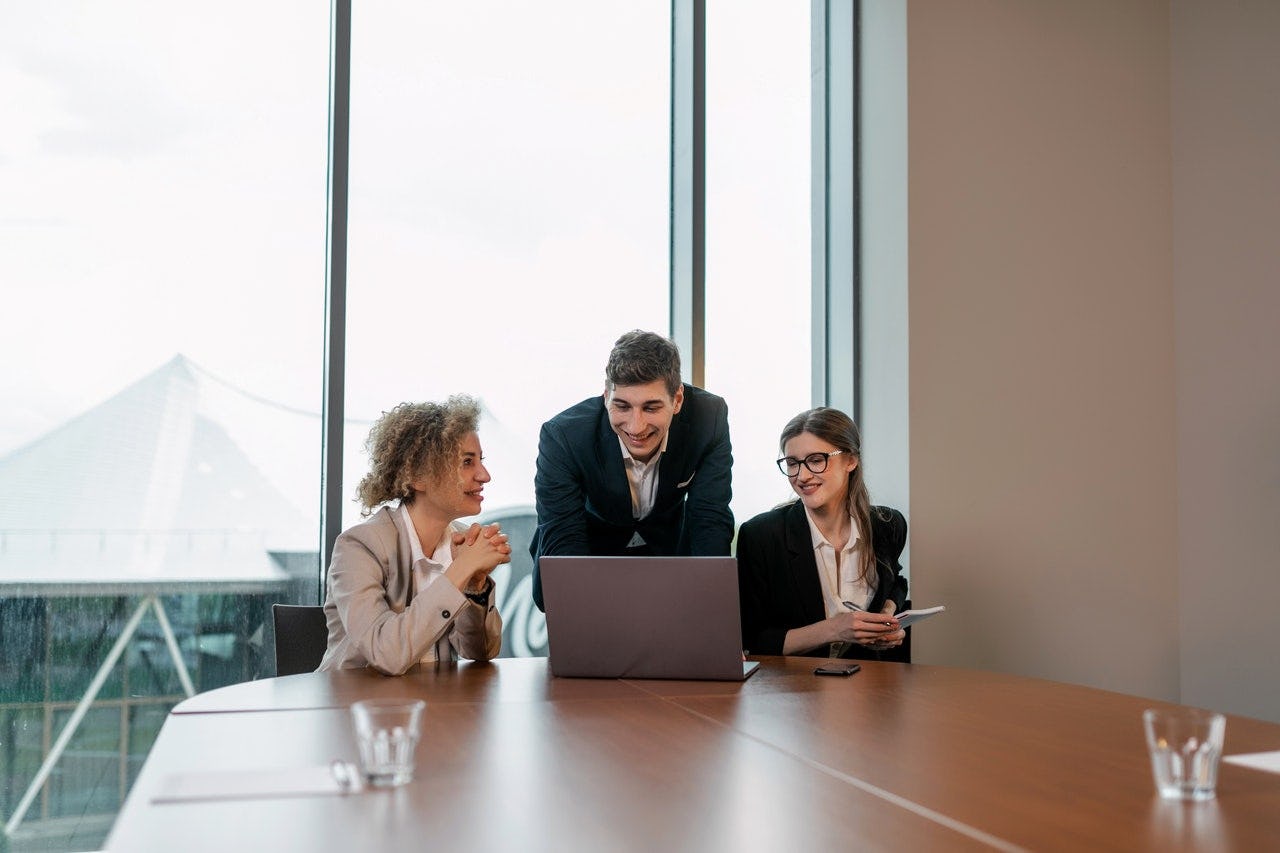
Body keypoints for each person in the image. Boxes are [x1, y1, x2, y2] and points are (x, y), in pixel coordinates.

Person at [529, 329, 734, 611]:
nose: (636, 426)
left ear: (677, 401)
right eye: (622, 406)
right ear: (605, 396)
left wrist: (711, 608)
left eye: (651, 408)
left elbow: (709, 519)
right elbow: (563, 537)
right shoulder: (564, 436)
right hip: (590, 550)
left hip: (669, 552)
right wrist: (575, 608)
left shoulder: (708, 419)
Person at [318, 395, 509, 675]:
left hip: (433, 711)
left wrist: (477, 585)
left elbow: (482, 652)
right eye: (467, 462)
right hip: (355, 711)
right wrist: (463, 568)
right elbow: (387, 654)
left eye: (480, 460)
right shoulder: (358, 547)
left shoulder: (461, 540)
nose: (484, 475)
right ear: (417, 476)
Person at [736, 407, 907, 660]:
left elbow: (896, 582)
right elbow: (753, 640)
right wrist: (836, 629)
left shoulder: (888, 525)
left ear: (851, 460)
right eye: (792, 463)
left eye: (816, 460)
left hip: (868, 687)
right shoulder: (760, 536)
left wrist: (886, 619)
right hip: (792, 692)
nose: (802, 476)